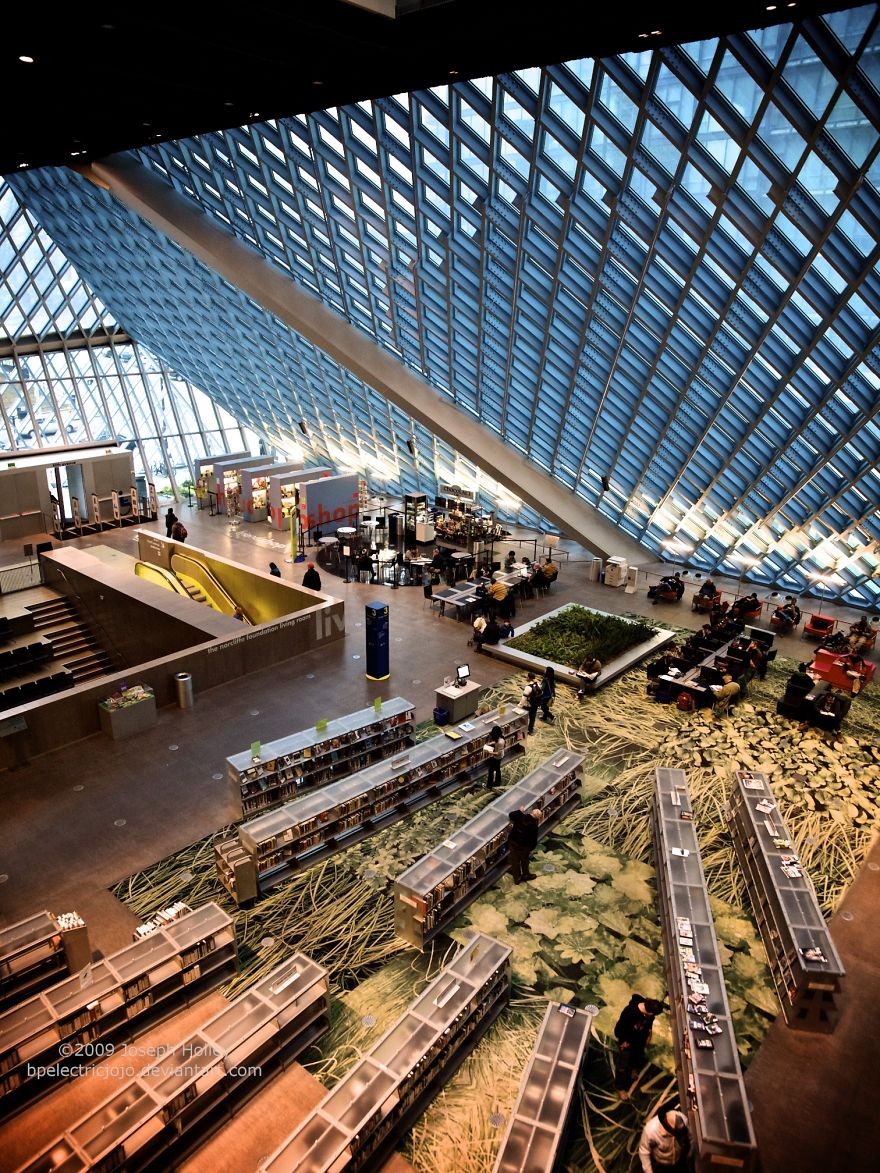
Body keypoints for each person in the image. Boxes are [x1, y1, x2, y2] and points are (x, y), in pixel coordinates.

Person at [614, 994, 665, 1098]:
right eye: (652, 1015)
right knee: (622, 1066)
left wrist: (649, 1032)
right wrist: (625, 1042)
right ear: (649, 1012)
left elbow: (649, 1021)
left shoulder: (647, 1008)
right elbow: (619, 1030)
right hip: (627, 1042)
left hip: (639, 1042)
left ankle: (633, 1069)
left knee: (636, 1056)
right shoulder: (630, 1013)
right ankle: (619, 1087)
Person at [638, 1106, 691, 1172]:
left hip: (679, 1159)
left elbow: (689, 1136)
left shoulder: (683, 1120)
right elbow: (644, 1152)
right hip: (661, 1164)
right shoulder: (650, 1130)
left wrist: (689, 1153)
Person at [506, 808, 539, 882]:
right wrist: (530, 849)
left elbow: (511, 815)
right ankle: (526, 875)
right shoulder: (534, 826)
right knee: (524, 860)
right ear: (537, 818)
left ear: (531, 812)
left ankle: (517, 878)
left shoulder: (520, 816)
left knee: (515, 860)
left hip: (513, 842)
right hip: (524, 846)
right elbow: (533, 841)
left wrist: (519, 811)